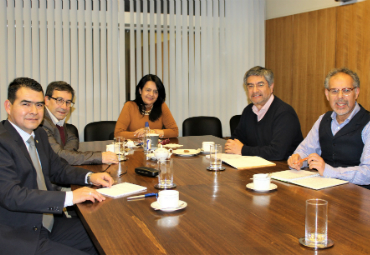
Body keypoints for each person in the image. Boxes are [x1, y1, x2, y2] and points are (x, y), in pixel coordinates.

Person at [0, 77, 114, 254]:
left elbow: (58, 169)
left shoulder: (38, 135)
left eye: (38, 105)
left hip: (48, 223)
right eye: (25, 104)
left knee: (106, 235)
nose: (34, 111)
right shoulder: (2, 142)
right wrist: (69, 197)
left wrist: (89, 176)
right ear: (8, 106)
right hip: (20, 235)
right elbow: (11, 195)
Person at [288, 68, 370, 188]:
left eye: (346, 90)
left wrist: (328, 171)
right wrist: (297, 159)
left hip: (358, 196)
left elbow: (367, 173)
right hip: (325, 190)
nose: (340, 97)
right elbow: (305, 150)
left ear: (356, 92)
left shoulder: (367, 123)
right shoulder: (323, 120)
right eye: (334, 91)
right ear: (327, 94)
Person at [225, 66, 303, 160]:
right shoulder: (248, 111)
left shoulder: (284, 113)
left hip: (283, 169)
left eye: (260, 85)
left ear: (271, 87)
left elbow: (276, 153)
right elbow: (235, 140)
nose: (255, 90)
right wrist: (234, 146)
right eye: (250, 86)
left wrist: (243, 150)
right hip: (257, 166)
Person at [42, 81, 118, 165]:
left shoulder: (56, 118)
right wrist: (100, 157)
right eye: (59, 100)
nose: (64, 107)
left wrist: (65, 153)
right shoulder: (42, 123)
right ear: (47, 100)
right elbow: (58, 156)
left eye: (68, 102)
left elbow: (72, 139)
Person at [114, 74, 179, 139]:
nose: (151, 94)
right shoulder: (129, 106)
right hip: (133, 148)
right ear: (140, 90)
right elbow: (118, 133)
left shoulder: (161, 105)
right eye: (148, 90)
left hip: (155, 148)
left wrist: (152, 132)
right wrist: (141, 135)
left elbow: (175, 131)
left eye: (155, 91)